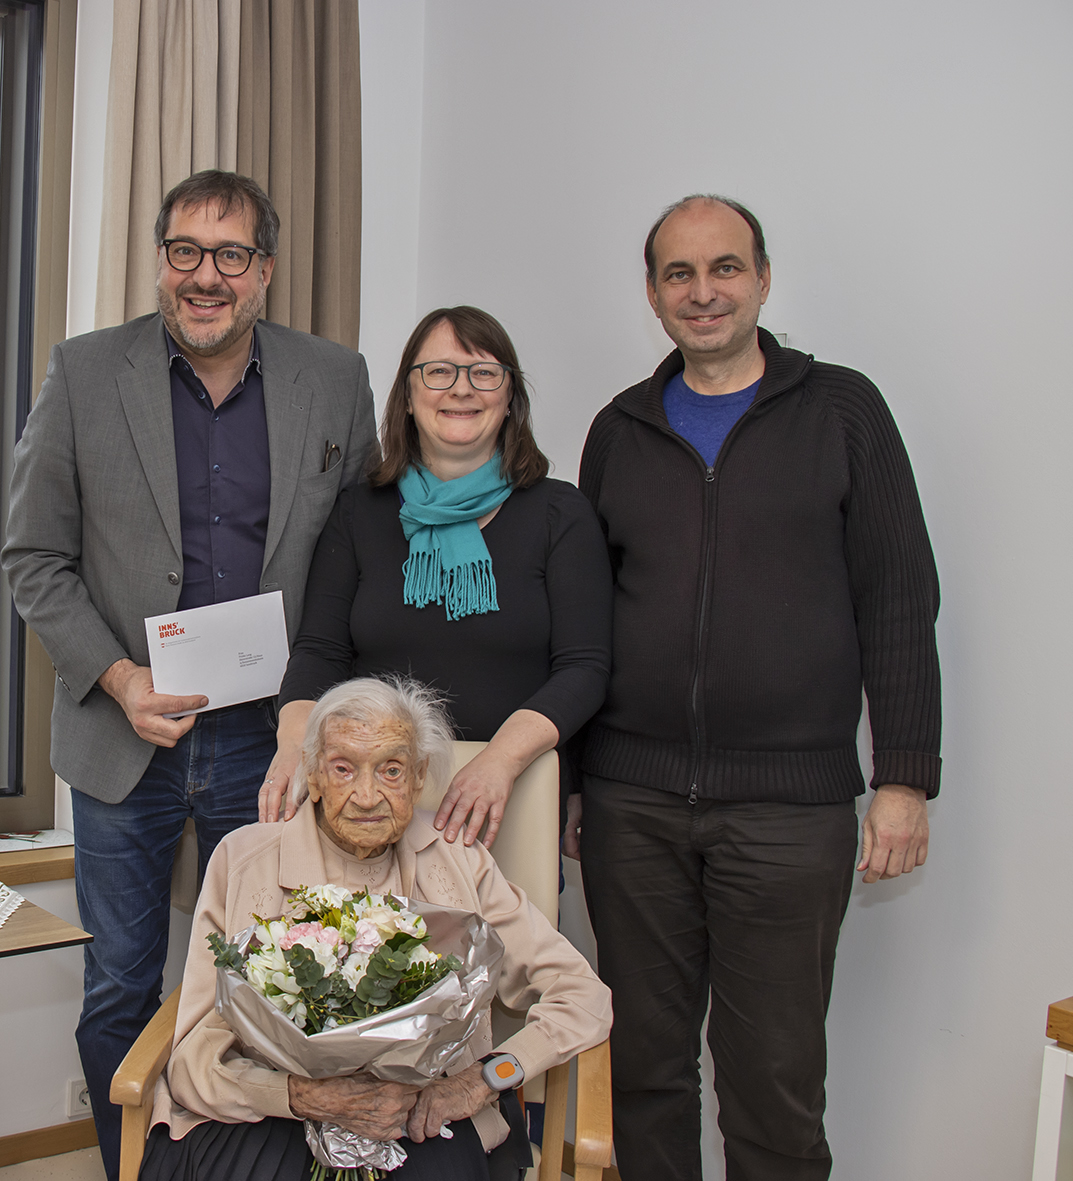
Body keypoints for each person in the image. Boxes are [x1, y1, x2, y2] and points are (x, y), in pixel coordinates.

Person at [2, 170, 378, 1180]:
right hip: (124, 737)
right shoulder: (83, 372)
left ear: (263, 270)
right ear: (159, 257)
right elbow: (31, 557)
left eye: (228, 255)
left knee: (271, 982)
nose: (203, 277)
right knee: (120, 989)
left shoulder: (334, 379)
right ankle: (130, 1168)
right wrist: (119, 677)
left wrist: (317, 721)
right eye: (183, 252)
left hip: (273, 745)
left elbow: (357, 562)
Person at [570, 194, 941, 1180]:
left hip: (787, 809)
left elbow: (898, 596)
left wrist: (902, 775)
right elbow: (583, 627)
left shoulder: (840, 410)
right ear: (652, 294)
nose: (703, 293)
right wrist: (571, 779)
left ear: (762, 278)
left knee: (770, 1080)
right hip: (630, 805)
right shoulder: (617, 429)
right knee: (643, 1070)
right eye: (679, 274)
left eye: (723, 268)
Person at [142, 676, 612, 1181]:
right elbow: (194, 1054)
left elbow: (583, 996)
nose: (367, 796)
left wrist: (482, 1080)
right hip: (273, 1108)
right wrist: (299, 1096)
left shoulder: (458, 862)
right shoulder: (243, 859)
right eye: (344, 768)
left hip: (424, 1110)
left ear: (418, 777)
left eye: (391, 770)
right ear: (314, 775)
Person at [260, 306, 611, 849]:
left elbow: (584, 668)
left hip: (508, 794)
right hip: (370, 801)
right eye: (439, 371)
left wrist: (500, 761)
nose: (461, 390)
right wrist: (294, 744)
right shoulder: (359, 511)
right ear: (407, 393)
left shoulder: (560, 514)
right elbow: (320, 651)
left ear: (510, 395)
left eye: (484, 372)